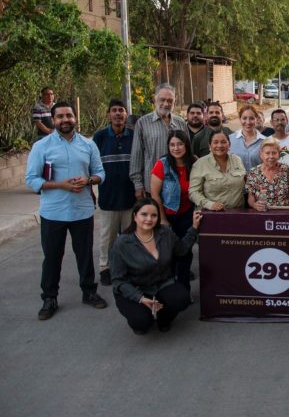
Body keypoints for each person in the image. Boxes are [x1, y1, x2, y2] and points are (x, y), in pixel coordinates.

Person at [25, 101, 108, 320]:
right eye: (60, 116)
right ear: (53, 120)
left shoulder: (88, 145)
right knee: (52, 257)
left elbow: (100, 172)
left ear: (75, 118)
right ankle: (49, 298)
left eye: (69, 115)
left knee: (85, 254)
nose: (65, 120)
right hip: (53, 212)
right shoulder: (42, 147)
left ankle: (89, 291)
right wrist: (61, 185)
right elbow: (32, 179)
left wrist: (89, 179)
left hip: (82, 211)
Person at [109, 198, 202, 334]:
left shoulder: (165, 233)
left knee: (182, 298)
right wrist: (140, 298)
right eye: (144, 214)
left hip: (161, 284)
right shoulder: (122, 243)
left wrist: (194, 228)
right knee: (141, 322)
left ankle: (164, 318)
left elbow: (181, 250)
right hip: (135, 289)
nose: (149, 219)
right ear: (135, 216)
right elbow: (118, 281)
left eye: (154, 215)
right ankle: (142, 318)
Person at [92, 99, 135, 286]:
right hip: (108, 198)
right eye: (114, 111)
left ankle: (127, 267)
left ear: (126, 115)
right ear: (108, 115)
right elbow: (91, 165)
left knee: (129, 237)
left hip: (130, 197)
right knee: (107, 237)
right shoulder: (100, 137)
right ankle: (105, 268)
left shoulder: (134, 136)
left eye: (121, 110)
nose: (118, 114)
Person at [149, 130, 196, 292]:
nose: (176, 148)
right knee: (168, 255)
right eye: (172, 145)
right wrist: (162, 219)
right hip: (167, 215)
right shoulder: (162, 164)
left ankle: (184, 290)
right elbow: (154, 194)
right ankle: (168, 291)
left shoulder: (194, 162)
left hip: (187, 214)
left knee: (185, 253)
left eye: (180, 144)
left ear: (186, 145)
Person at [130, 83, 188, 200]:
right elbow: (137, 155)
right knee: (155, 218)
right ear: (155, 99)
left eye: (170, 101)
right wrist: (138, 185)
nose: (166, 104)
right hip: (152, 186)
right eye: (162, 100)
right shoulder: (143, 123)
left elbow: (188, 153)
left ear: (174, 102)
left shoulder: (181, 123)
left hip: (178, 186)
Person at [189, 132, 246, 210]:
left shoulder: (237, 159)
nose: (219, 145)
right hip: (212, 213)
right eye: (215, 142)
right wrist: (210, 205)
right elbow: (193, 192)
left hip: (238, 212)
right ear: (210, 146)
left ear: (229, 145)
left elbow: (246, 182)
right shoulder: (200, 164)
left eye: (223, 142)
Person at [246, 138, 289, 210]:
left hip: (284, 214)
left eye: (274, 153)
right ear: (261, 154)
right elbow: (250, 197)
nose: (271, 156)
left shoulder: (285, 169)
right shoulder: (253, 172)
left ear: (279, 154)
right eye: (267, 153)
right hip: (262, 215)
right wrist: (254, 205)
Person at [229, 105, 267, 172]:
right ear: (240, 119)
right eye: (244, 118)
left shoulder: (265, 141)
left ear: (256, 119)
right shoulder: (230, 139)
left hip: (257, 181)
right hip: (235, 181)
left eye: (251, 118)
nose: (248, 122)